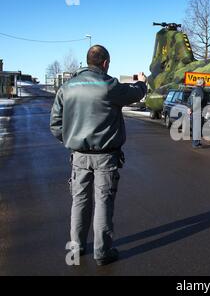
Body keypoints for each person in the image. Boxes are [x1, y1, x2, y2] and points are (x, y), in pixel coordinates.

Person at [50, 45, 147, 266]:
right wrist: (142, 81)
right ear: (105, 63)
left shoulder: (67, 87)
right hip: (106, 156)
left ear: (88, 62)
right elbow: (136, 93)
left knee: (79, 201)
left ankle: (77, 246)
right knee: (103, 202)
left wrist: (71, 140)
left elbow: (55, 124)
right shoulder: (109, 86)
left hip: (78, 156)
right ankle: (102, 252)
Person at [190, 79, 207, 148]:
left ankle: (196, 142)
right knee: (198, 128)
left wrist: (189, 108)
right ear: (202, 84)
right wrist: (191, 108)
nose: (205, 85)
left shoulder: (194, 91)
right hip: (198, 111)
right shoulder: (201, 91)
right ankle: (196, 143)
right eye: (204, 83)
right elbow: (198, 102)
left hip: (194, 112)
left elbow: (189, 100)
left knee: (196, 127)